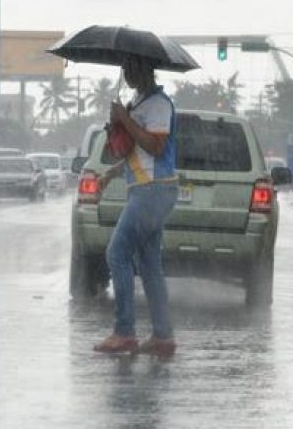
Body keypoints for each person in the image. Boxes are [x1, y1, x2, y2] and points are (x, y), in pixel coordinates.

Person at [93, 54, 179, 357]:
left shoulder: (158, 104)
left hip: (153, 191)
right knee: (149, 264)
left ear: (145, 68)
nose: (127, 71)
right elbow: (134, 154)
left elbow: (156, 147)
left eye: (131, 66)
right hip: (145, 189)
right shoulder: (139, 103)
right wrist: (111, 171)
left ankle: (125, 332)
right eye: (124, 66)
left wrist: (125, 120)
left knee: (116, 253)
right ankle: (162, 336)